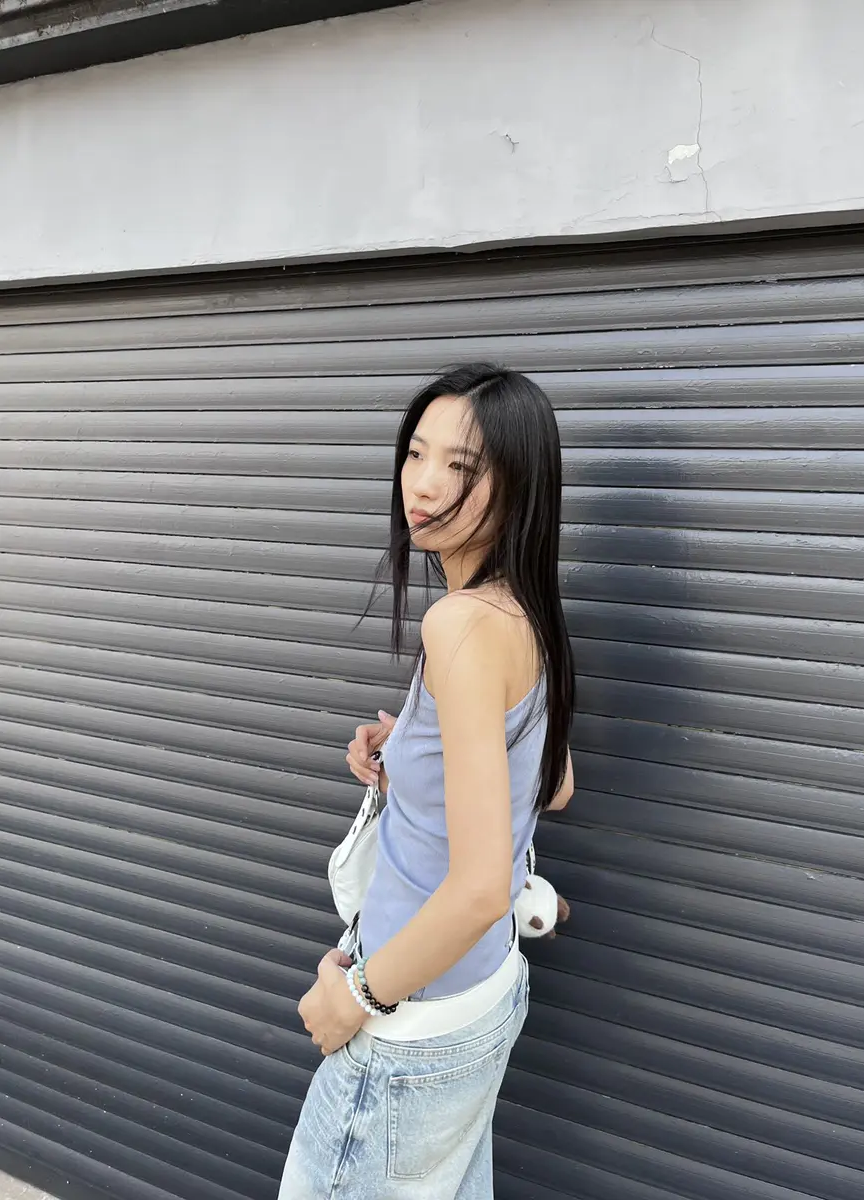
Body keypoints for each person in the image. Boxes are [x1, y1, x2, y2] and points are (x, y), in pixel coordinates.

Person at [277, 364, 576, 1200]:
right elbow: (552, 785)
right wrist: (412, 741)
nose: (424, 483)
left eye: (462, 466)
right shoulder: (525, 610)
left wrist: (357, 998)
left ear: (518, 486)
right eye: (417, 453)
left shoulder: (461, 624)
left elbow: (479, 886)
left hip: (408, 1023)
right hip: (482, 993)